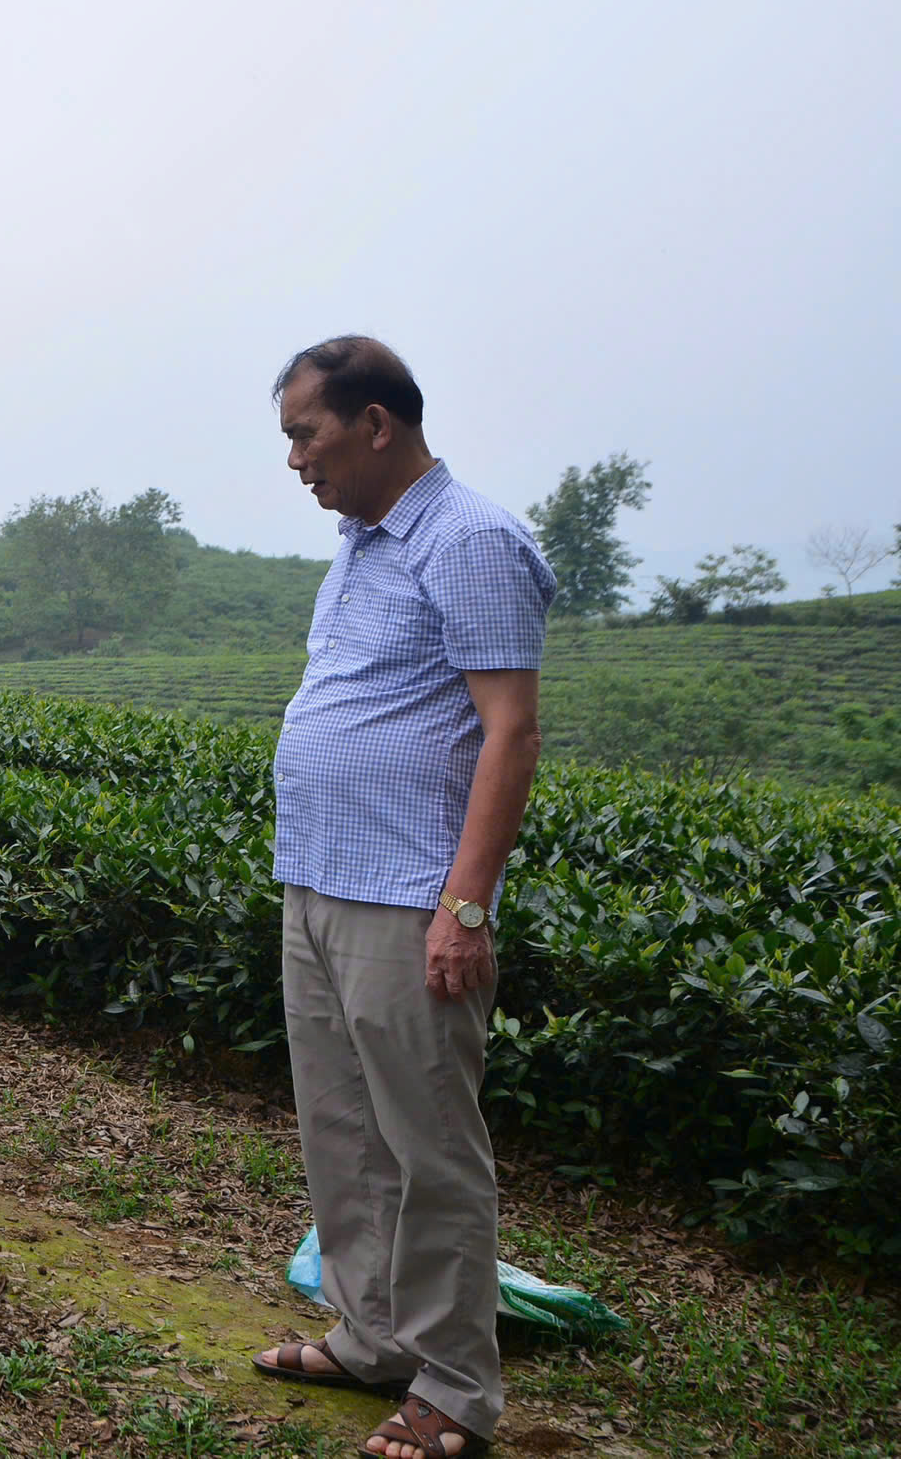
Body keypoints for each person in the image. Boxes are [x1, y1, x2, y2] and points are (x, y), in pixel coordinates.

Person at [253, 337, 552, 1459]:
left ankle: (455, 1392)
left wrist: (463, 907)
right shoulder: (361, 543)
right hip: (321, 881)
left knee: (429, 1148)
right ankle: (372, 1335)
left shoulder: (469, 538)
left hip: (405, 896)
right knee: (343, 1133)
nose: (294, 459)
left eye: (305, 433)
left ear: (376, 423)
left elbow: (509, 731)